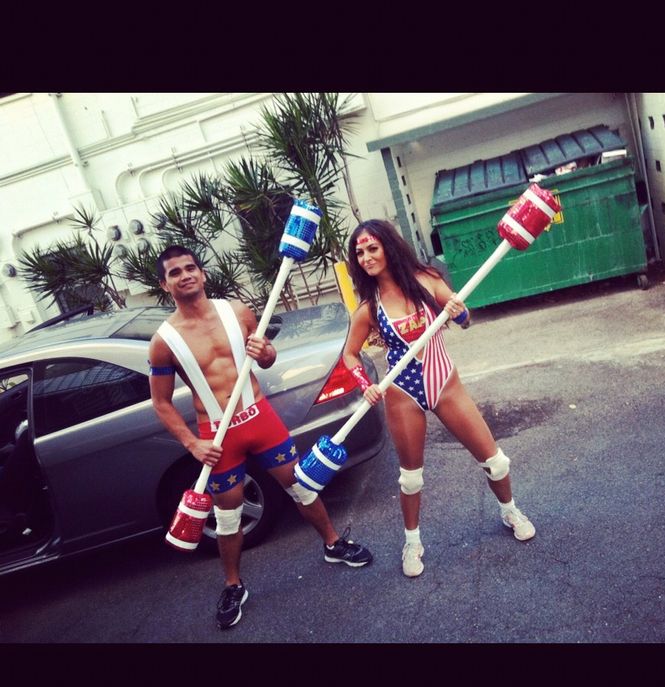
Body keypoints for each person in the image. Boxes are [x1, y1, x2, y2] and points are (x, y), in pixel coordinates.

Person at [149, 245, 372, 629]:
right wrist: (192, 443)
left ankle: (334, 544)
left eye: (190, 268)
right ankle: (233, 584)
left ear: (202, 274)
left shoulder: (235, 312)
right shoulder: (164, 341)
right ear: (165, 283)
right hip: (217, 435)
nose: (185, 275)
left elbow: (267, 358)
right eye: (175, 272)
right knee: (229, 514)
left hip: (259, 418)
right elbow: (161, 402)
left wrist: (265, 349)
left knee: (302, 487)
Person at [342, 221, 535, 578]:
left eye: (372, 248)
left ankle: (509, 510)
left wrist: (460, 312)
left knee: (496, 462)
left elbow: (465, 319)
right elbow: (350, 355)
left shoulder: (427, 280)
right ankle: (412, 541)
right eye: (359, 252)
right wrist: (363, 383)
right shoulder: (368, 309)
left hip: (444, 382)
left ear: (388, 247)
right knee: (411, 479)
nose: (366, 257)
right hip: (402, 394)